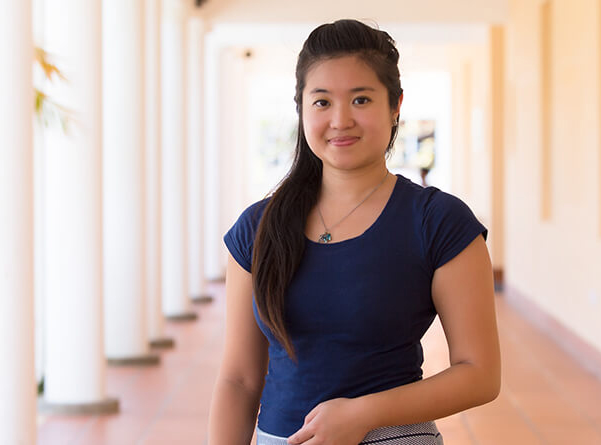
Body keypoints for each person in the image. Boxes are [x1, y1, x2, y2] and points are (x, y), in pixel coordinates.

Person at [208, 19, 501, 445]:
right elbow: (238, 380)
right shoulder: (258, 228)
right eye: (322, 102)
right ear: (302, 109)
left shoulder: (438, 221)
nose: (340, 120)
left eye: (361, 99)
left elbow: (480, 374)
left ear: (395, 105)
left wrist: (362, 414)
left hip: (393, 438)